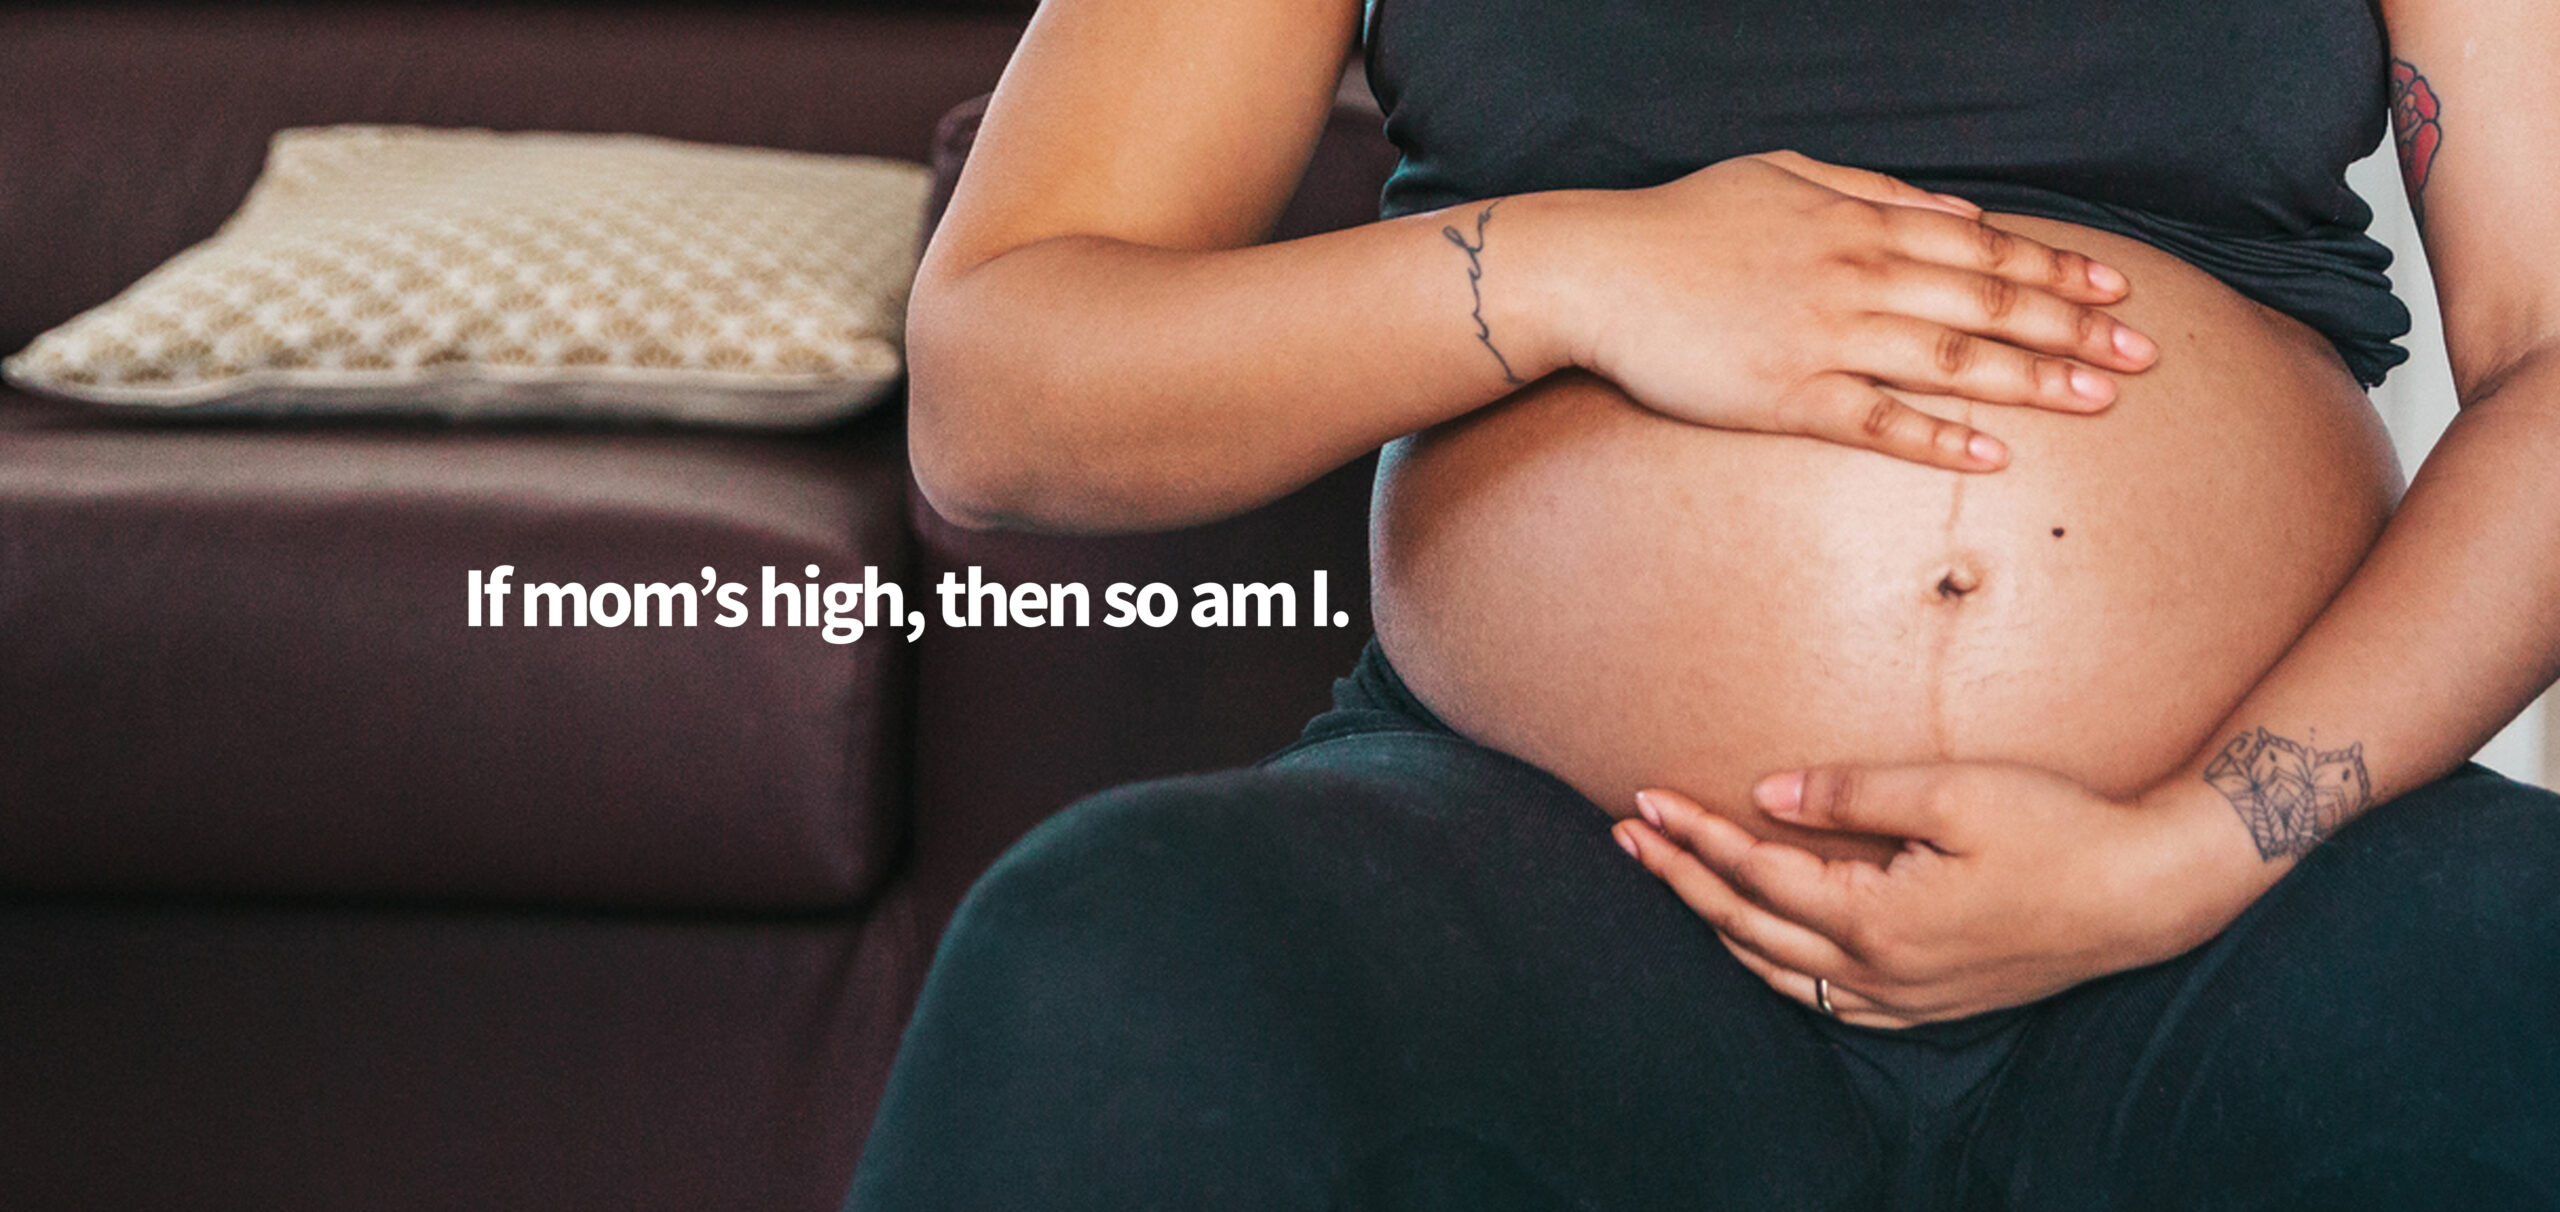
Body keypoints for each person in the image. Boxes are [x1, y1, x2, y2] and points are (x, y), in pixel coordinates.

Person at [849, 0, 2560, 1207]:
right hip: (1559, 867)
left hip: (2249, 898)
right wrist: (1587, 268)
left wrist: (2192, 849)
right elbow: (998, 386)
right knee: (1108, 959)